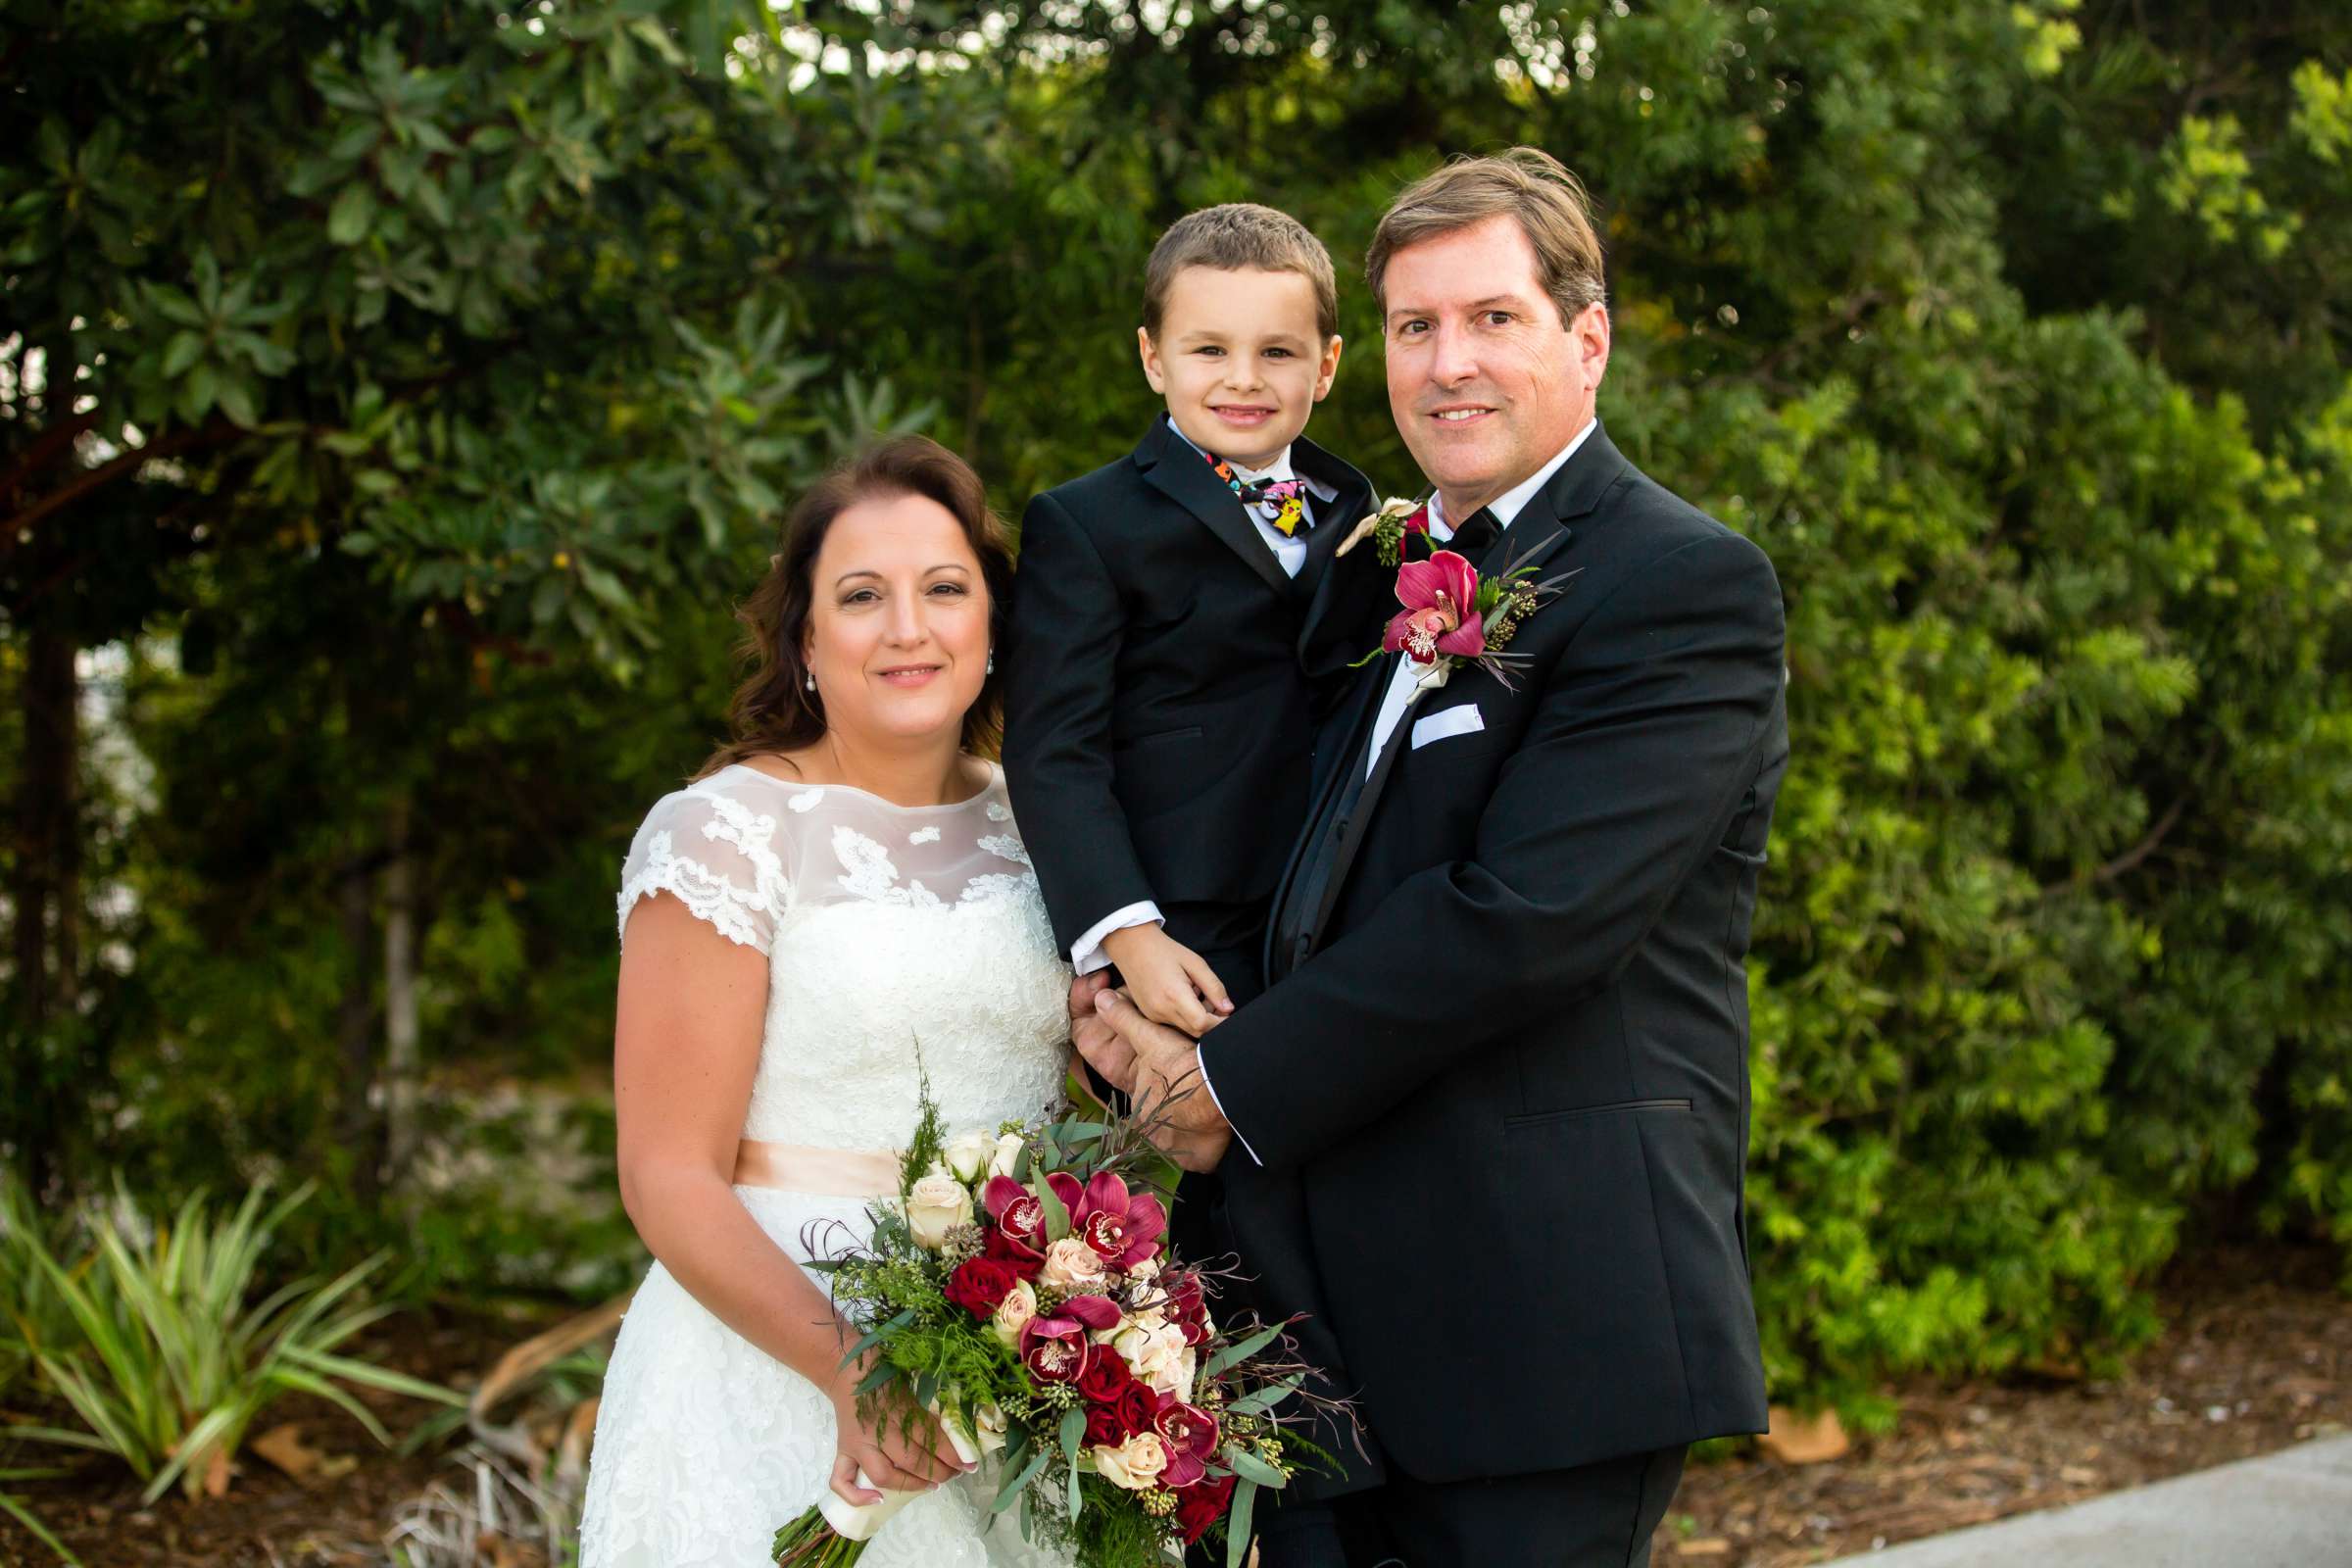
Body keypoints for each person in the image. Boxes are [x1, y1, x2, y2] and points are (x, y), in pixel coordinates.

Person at [1074, 148, 1791, 1568]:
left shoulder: (1681, 585)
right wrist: (1113, 970)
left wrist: (1220, 1086)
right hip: (1306, 1332)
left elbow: (1523, 918)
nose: (1447, 363)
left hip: (1536, 1326)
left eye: (1492, 318)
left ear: (1589, 339)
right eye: (1416, 326)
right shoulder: (1365, 580)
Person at [577, 437, 1075, 1568]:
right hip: (779, 1365)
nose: (909, 627)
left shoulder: (1049, 820)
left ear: (993, 623)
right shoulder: (725, 832)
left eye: (945, 589)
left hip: (1015, 1364)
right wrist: (856, 1371)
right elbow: (666, 1172)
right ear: (805, 638)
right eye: (862, 597)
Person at [1001, 202, 1391, 1039]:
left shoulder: (1364, 515)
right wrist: (1130, 934)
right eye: (1209, 349)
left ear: (1325, 368)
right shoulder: (1087, 524)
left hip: (1346, 910)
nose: (1242, 378)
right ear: (1153, 358)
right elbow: (1052, 750)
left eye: (1276, 353)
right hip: (1184, 928)